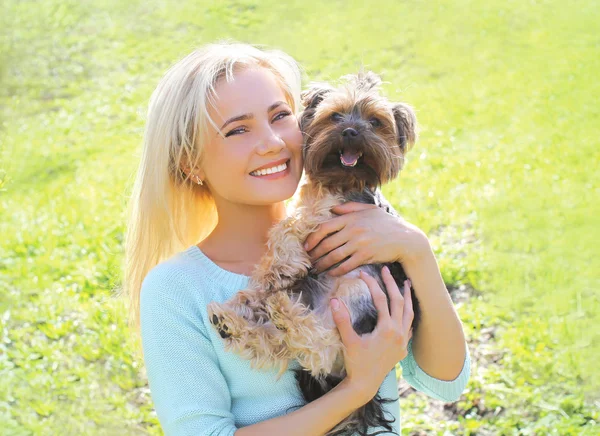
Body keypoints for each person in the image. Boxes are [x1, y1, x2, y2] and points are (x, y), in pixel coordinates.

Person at [123, 41, 471, 436]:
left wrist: (416, 250)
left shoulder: (361, 232)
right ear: (191, 162)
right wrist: (357, 388)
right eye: (238, 129)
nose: (272, 142)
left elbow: (445, 381)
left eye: (281, 116)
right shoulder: (177, 289)